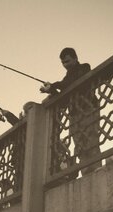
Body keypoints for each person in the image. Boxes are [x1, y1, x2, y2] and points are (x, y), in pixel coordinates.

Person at [41, 47, 101, 176]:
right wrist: (51, 90)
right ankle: (86, 170)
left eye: (67, 61)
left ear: (75, 58)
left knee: (91, 138)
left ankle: (96, 167)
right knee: (79, 143)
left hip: (88, 108)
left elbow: (71, 82)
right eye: (63, 63)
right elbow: (63, 97)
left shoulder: (84, 67)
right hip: (74, 113)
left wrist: (54, 85)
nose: (65, 65)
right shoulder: (66, 78)